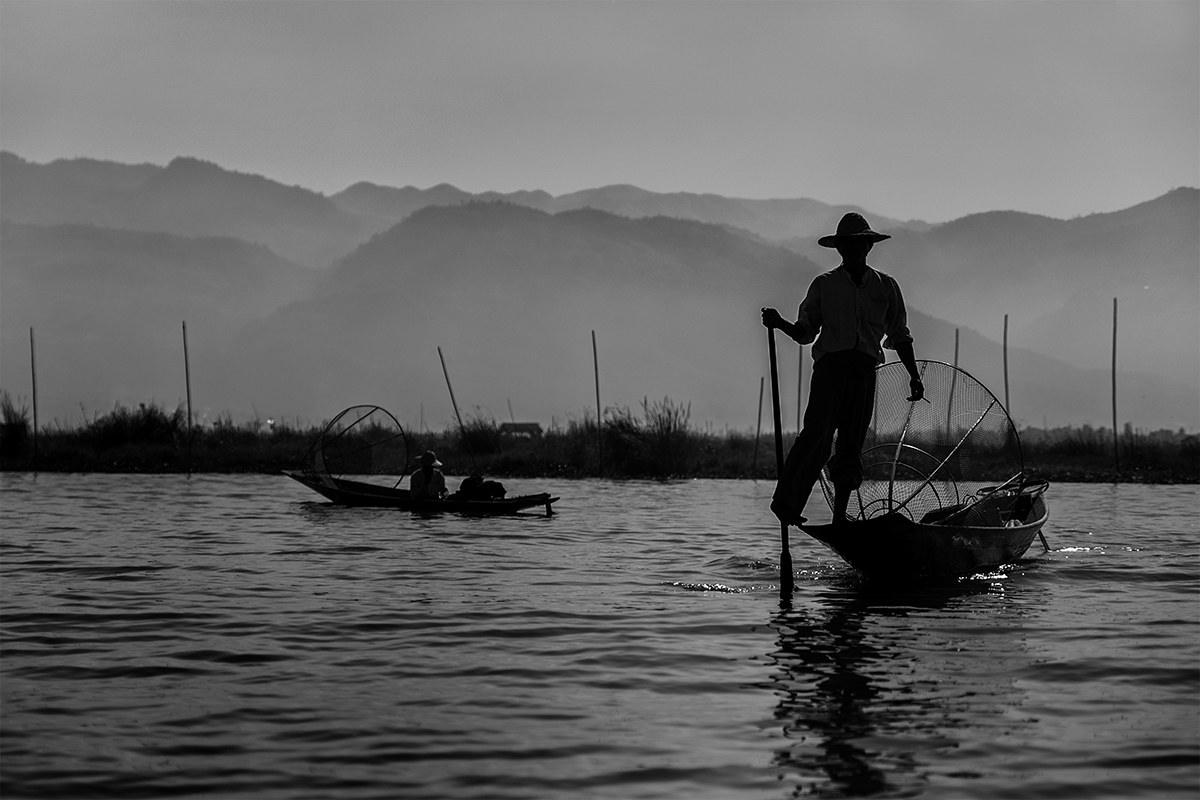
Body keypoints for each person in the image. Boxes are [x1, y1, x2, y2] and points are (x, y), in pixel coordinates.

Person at [761, 212, 924, 526]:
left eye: (858, 244)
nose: (853, 250)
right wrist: (779, 323)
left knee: (851, 445)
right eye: (847, 245)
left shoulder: (885, 286)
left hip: (864, 372)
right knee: (816, 437)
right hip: (831, 371)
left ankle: (840, 519)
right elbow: (805, 332)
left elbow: (900, 335)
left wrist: (913, 375)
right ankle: (787, 504)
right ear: (839, 250)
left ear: (867, 246)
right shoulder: (825, 285)